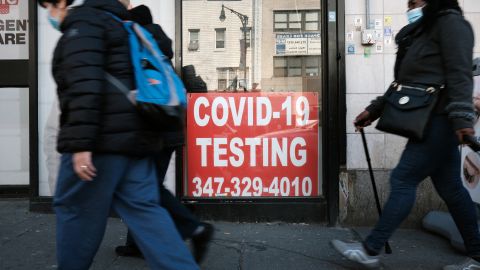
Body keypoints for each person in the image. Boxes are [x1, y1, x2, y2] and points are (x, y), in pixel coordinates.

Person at [38, 0, 199, 269]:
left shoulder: (84, 24)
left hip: (102, 142)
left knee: (74, 210)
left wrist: (81, 145)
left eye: (50, 8)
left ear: (62, 4)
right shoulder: (125, 25)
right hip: (136, 142)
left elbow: (84, 86)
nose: (51, 16)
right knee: (146, 213)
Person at [331, 0, 480, 269]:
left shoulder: (452, 25)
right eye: (410, 2)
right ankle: (478, 255)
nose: (412, 6)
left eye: (417, 1)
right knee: (452, 189)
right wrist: (375, 109)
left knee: (403, 178)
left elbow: (460, 75)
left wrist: (462, 120)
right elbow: (405, 82)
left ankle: (370, 249)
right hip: (429, 119)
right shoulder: (424, 32)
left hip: (439, 120)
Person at [114, 4, 214, 263]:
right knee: (145, 187)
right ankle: (138, 242)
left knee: (144, 188)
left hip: (152, 130)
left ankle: (193, 228)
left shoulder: (139, 45)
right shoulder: (160, 48)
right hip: (169, 129)